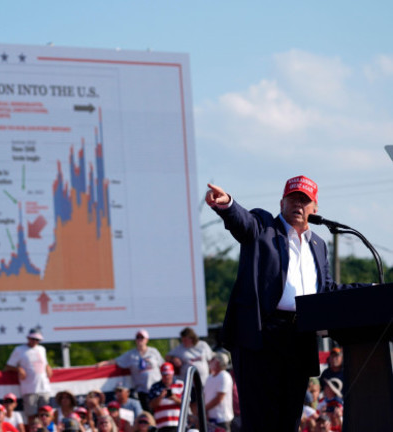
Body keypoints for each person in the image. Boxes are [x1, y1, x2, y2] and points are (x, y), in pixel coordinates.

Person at [205, 177, 368, 432]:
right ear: (282, 202)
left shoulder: (319, 245)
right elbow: (242, 222)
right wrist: (227, 205)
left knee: (289, 418)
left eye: (305, 200)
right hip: (261, 337)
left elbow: (326, 290)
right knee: (260, 420)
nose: (298, 205)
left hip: (299, 337)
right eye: (293, 198)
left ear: (315, 207)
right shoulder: (264, 226)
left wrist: (369, 291)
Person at [96, 330, 163, 411]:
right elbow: (117, 360)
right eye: (138, 337)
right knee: (147, 412)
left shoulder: (153, 352)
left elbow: (162, 365)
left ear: (147, 339)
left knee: (160, 410)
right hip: (142, 390)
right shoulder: (131, 354)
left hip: (156, 388)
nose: (139, 339)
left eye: (142, 337)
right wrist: (104, 363)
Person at [5, 329, 52, 425]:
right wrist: (19, 369)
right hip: (29, 388)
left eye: (37, 340)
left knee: (45, 414)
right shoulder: (19, 350)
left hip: (44, 387)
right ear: (28, 338)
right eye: (33, 339)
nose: (35, 341)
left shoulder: (42, 349)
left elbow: (45, 363)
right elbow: (8, 366)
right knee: (32, 416)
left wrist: (48, 367)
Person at [148, 363, 184, 432]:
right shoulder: (155, 387)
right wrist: (160, 397)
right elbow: (151, 406)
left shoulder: (181, 385)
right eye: (164, 374)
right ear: (161, 374)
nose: (167, 376)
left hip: (178, 424)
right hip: (162, 425)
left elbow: (186, 404)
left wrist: (174, 398)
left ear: (173, 373)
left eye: (168, 374)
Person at [203, 352, 233, 431]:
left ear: (218, 362)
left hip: (222, 419)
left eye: (213, 359)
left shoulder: (224, 376)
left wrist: (204, 409)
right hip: (211, 419)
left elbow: (219, 398)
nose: (210, 361)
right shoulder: (209, 378)